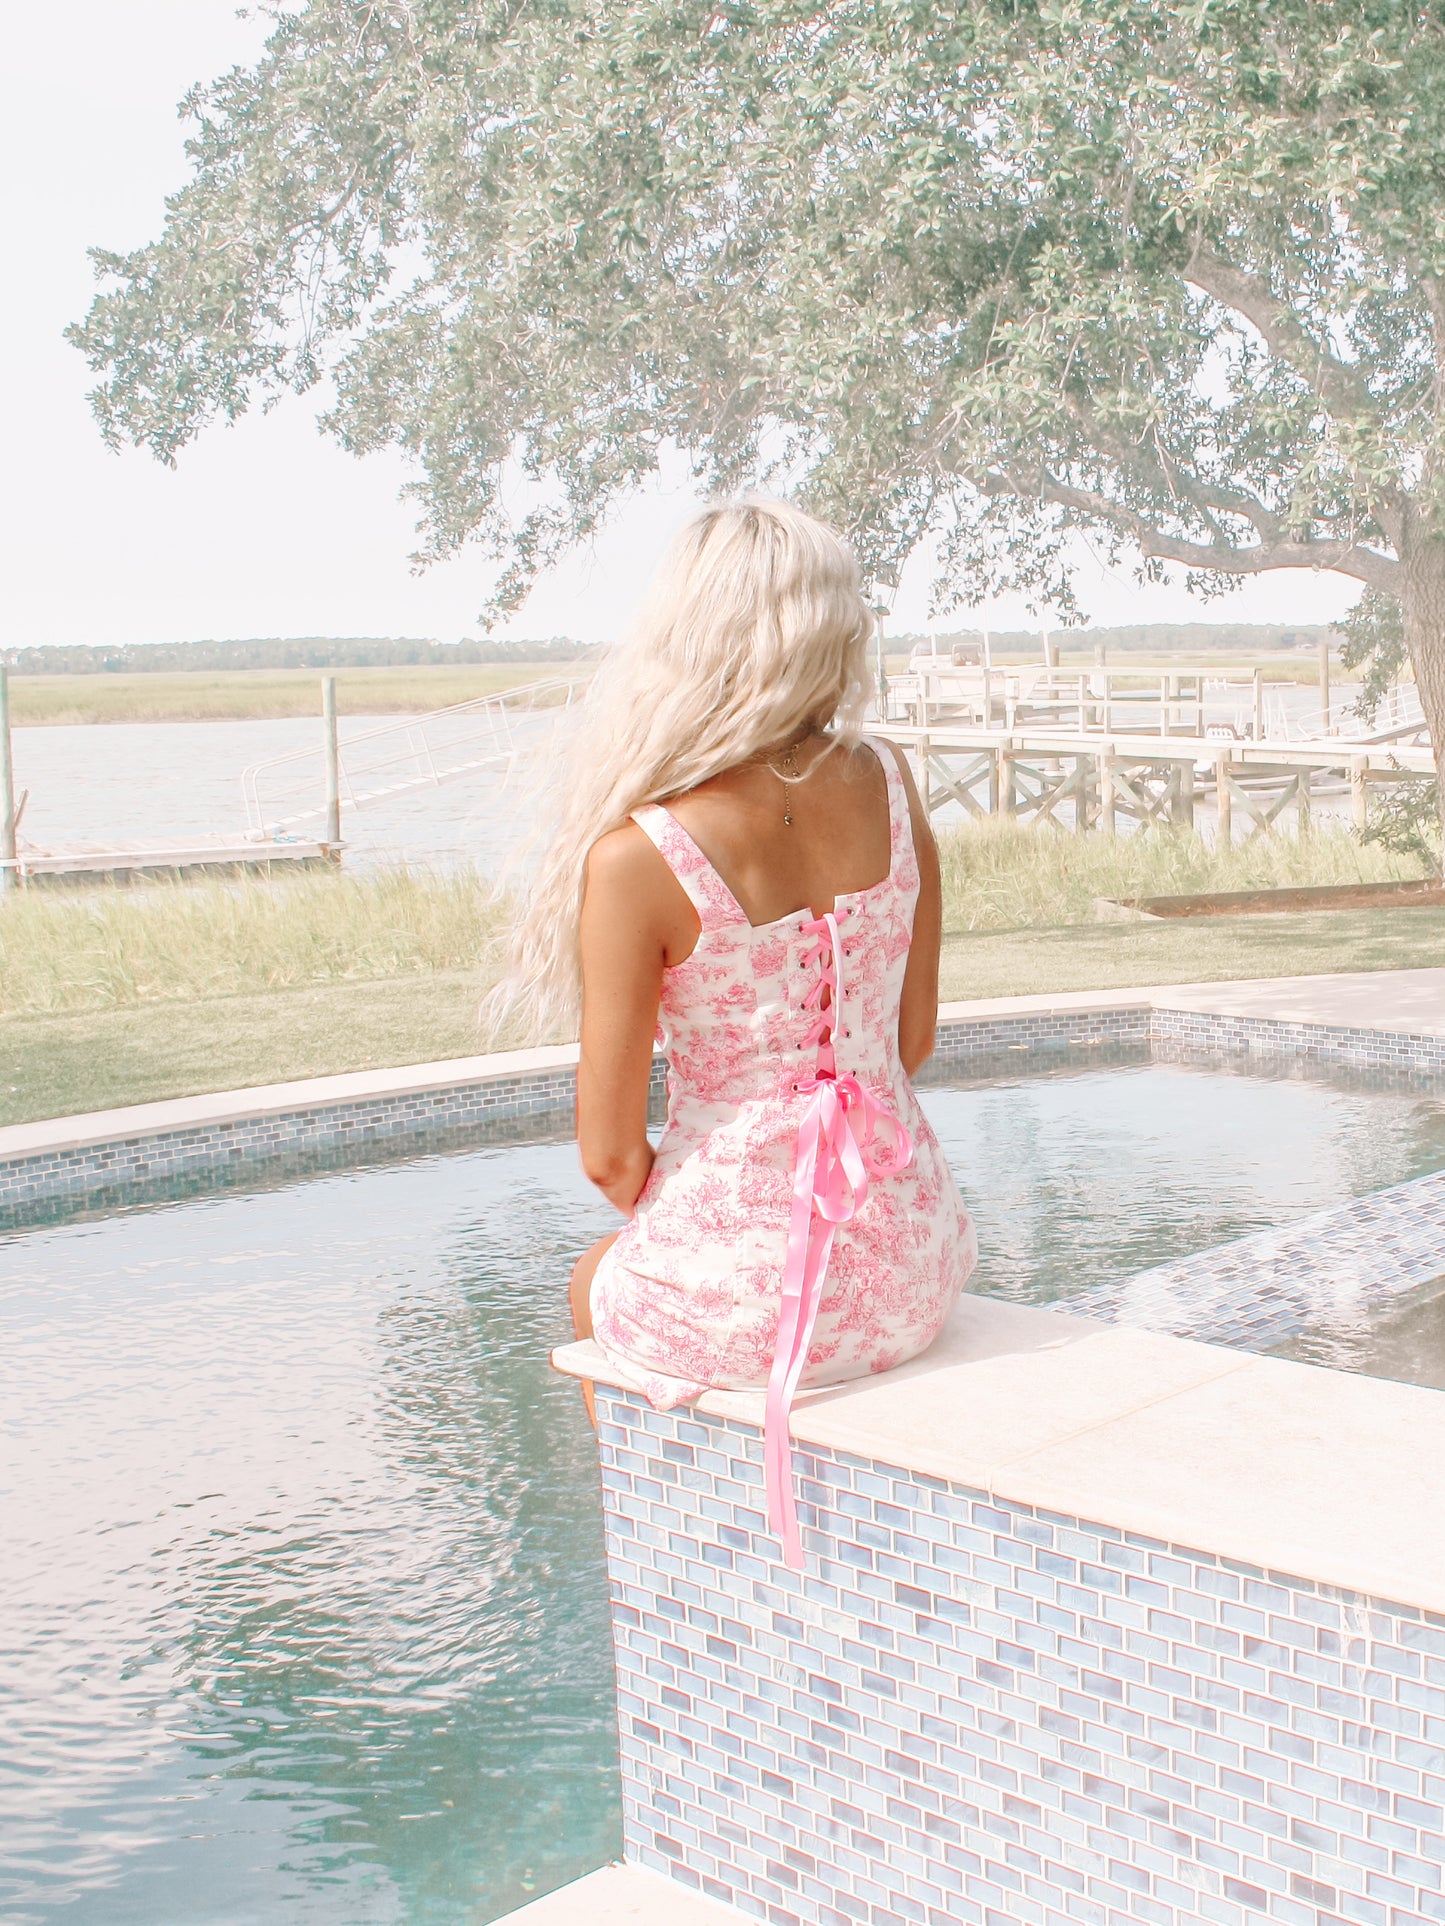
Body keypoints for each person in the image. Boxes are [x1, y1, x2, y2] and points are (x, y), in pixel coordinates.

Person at [492, 497, 977, 1567]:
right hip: (916, 1261)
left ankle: (668, 1565)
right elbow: (909, 1044)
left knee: (593, 1283)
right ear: (831, 632)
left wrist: (720, 1203)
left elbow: (611, 1155)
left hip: (758, 1309)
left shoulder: (638, 857)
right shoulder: (890, 785)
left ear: (686, 642)